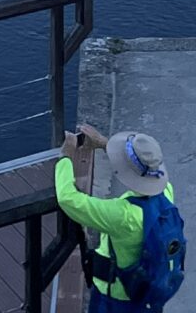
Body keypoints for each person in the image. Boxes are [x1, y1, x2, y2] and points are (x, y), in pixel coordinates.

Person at [56, 123, 176, 308]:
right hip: (148, 290)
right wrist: (103, 143)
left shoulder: (122, 216)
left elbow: (68, 199)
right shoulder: (167, 193)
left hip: (118, 298)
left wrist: (65, 157)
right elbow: (139, 167)